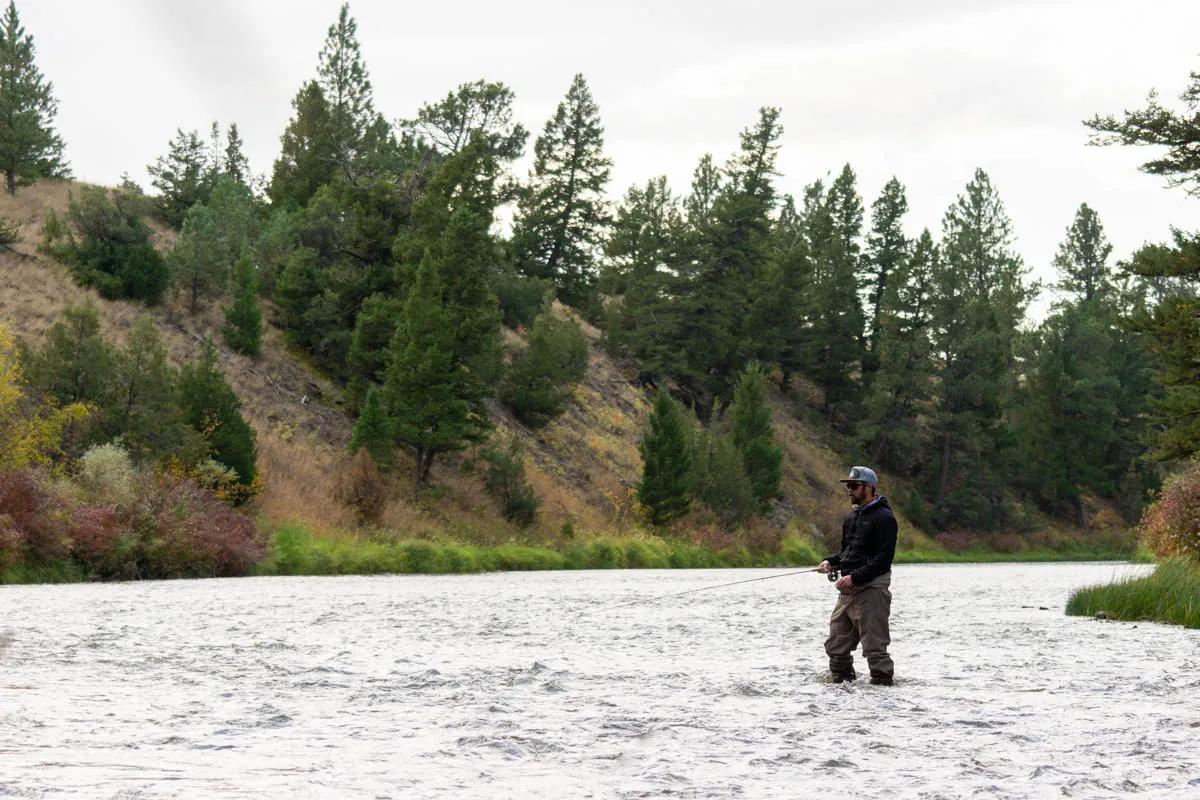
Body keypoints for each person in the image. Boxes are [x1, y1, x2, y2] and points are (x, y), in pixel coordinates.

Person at [818, 466, 897, 685]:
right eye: (848, 486)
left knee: (875, 651)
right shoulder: (851, 518)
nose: (849, 490)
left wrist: (855, 577)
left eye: (854, 486)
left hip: (872, 592)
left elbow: (883, 559)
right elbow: (846, 552)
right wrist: (830, 562)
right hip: (847, 592)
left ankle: (881, 698)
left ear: (869, 488)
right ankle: (844, 695)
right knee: (836, 648)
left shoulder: (885, 518)